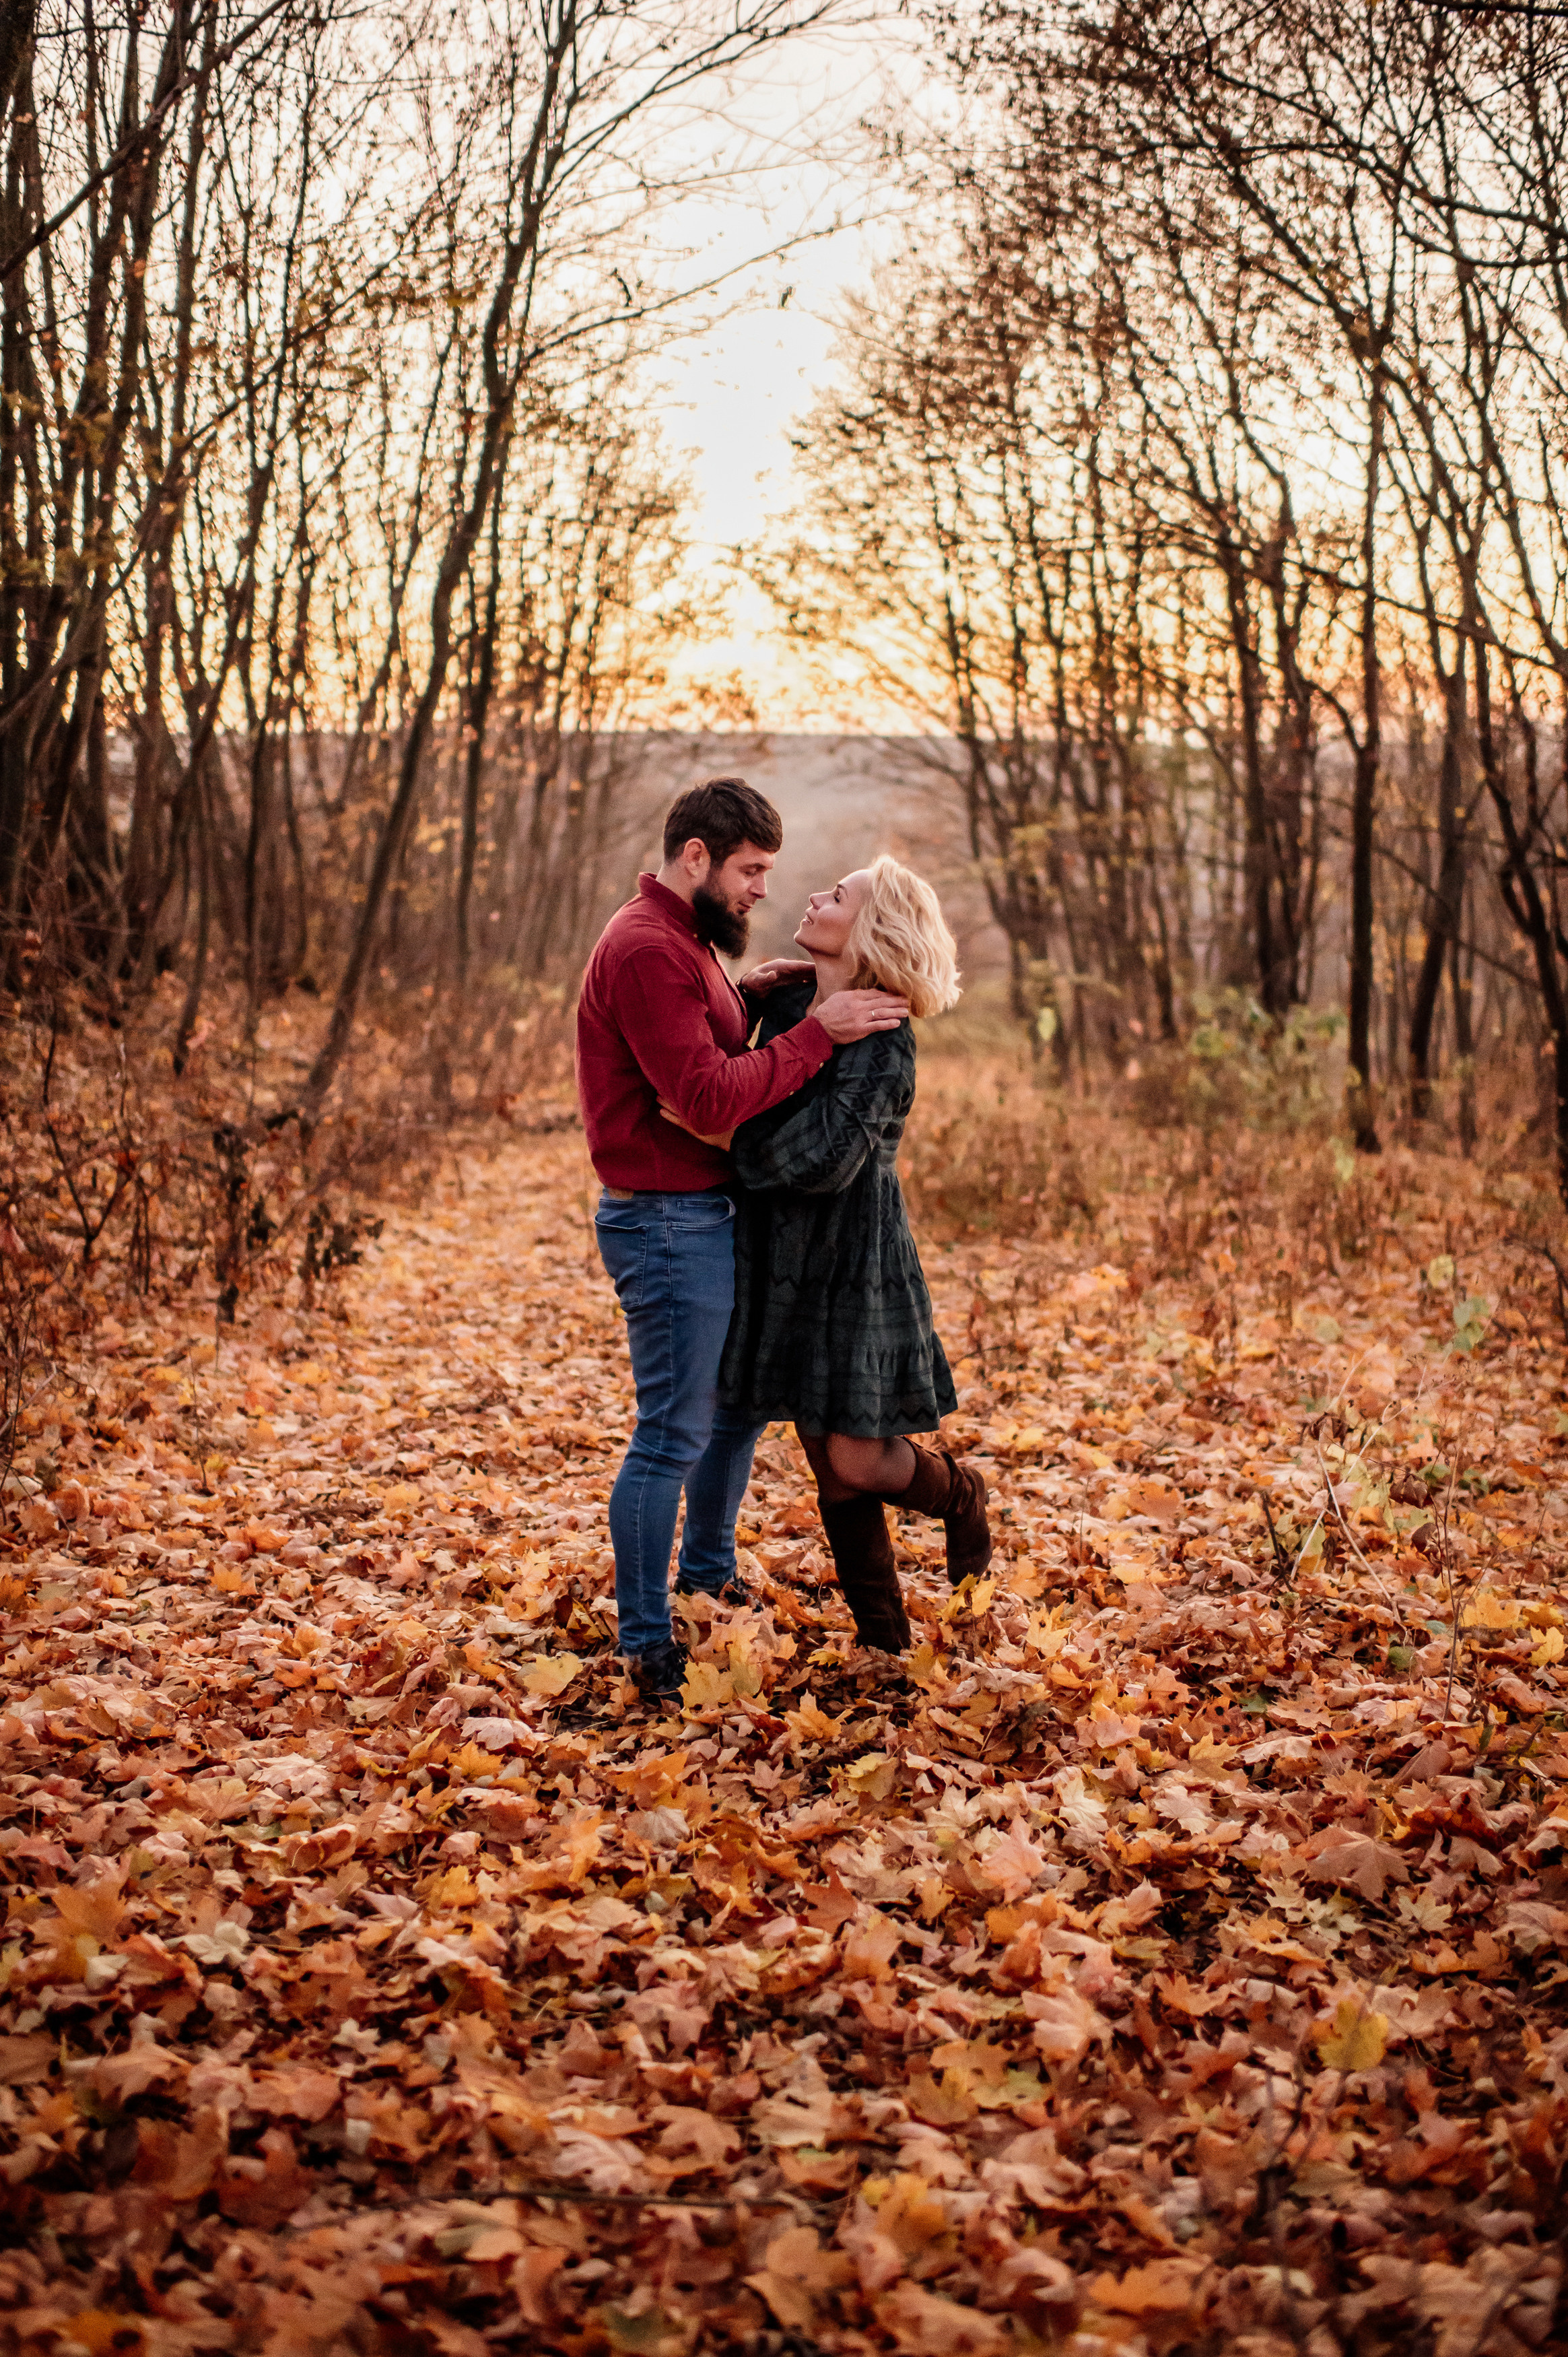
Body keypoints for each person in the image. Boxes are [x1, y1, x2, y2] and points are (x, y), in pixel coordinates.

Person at [575, 779, 909, 1701]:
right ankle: (646, 1645)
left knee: (730, 1411)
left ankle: (706, 1575)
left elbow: (701, 1033)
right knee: (670, 1435)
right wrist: (819, 1034)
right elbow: (707, 1095)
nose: (764, 887)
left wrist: (750, 991)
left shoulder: (683, 943)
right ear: (697, 860)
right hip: (666, 1220)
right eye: (750, 870)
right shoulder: (649, 948)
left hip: (701, 1212)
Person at [662, 854, 991, 1653]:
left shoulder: (884, 1036)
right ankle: (884, 1638)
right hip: (778, 1255)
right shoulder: (796, 1001)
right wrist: (756, 999)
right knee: (827, 1456)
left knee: (857, 1453)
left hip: (852, 1262)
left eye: (837, 895)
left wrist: (721, 1135)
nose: (813, 895)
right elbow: (747, 1075)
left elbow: (823, 1159)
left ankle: (962, 1494)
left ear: (871, 930)